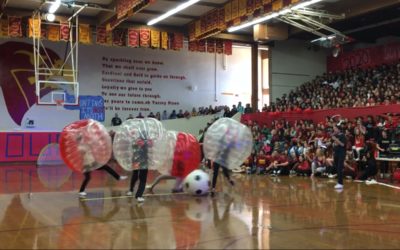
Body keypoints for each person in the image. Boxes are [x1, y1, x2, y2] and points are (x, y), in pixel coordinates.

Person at [77, 133, 127, 198]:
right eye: (81, 138)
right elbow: (83, 152)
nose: (83, 139)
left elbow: (91, 147)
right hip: (87, 164)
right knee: (87, 177)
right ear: (79, 140)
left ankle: (118, 177)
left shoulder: (85, 145)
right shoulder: (80, 147)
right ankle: (81, 191)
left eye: (82, 138)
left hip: (93, 162)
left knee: (106, 167)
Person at [127, 137, 150, 202]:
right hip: (136, 162)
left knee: (142, 179)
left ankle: (138, 195)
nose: (140, 142)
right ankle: (131, 190)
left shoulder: (146, 146)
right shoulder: (135, 145)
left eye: (141, 141)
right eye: (139, 141)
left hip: (144, 164)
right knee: (135, 176)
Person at [331, 123, 347, 189]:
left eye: (335, 128)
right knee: (336, 166)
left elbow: (343, 145)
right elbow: (335, 144)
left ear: (338, 129)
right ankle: (339, 181)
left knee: (339, 168)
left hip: (341, 153)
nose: (334, 130)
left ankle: (340, 183)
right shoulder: (336, 135)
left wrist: (336, 140)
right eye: (333, 129)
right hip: (336, 153)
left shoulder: (342, 135)